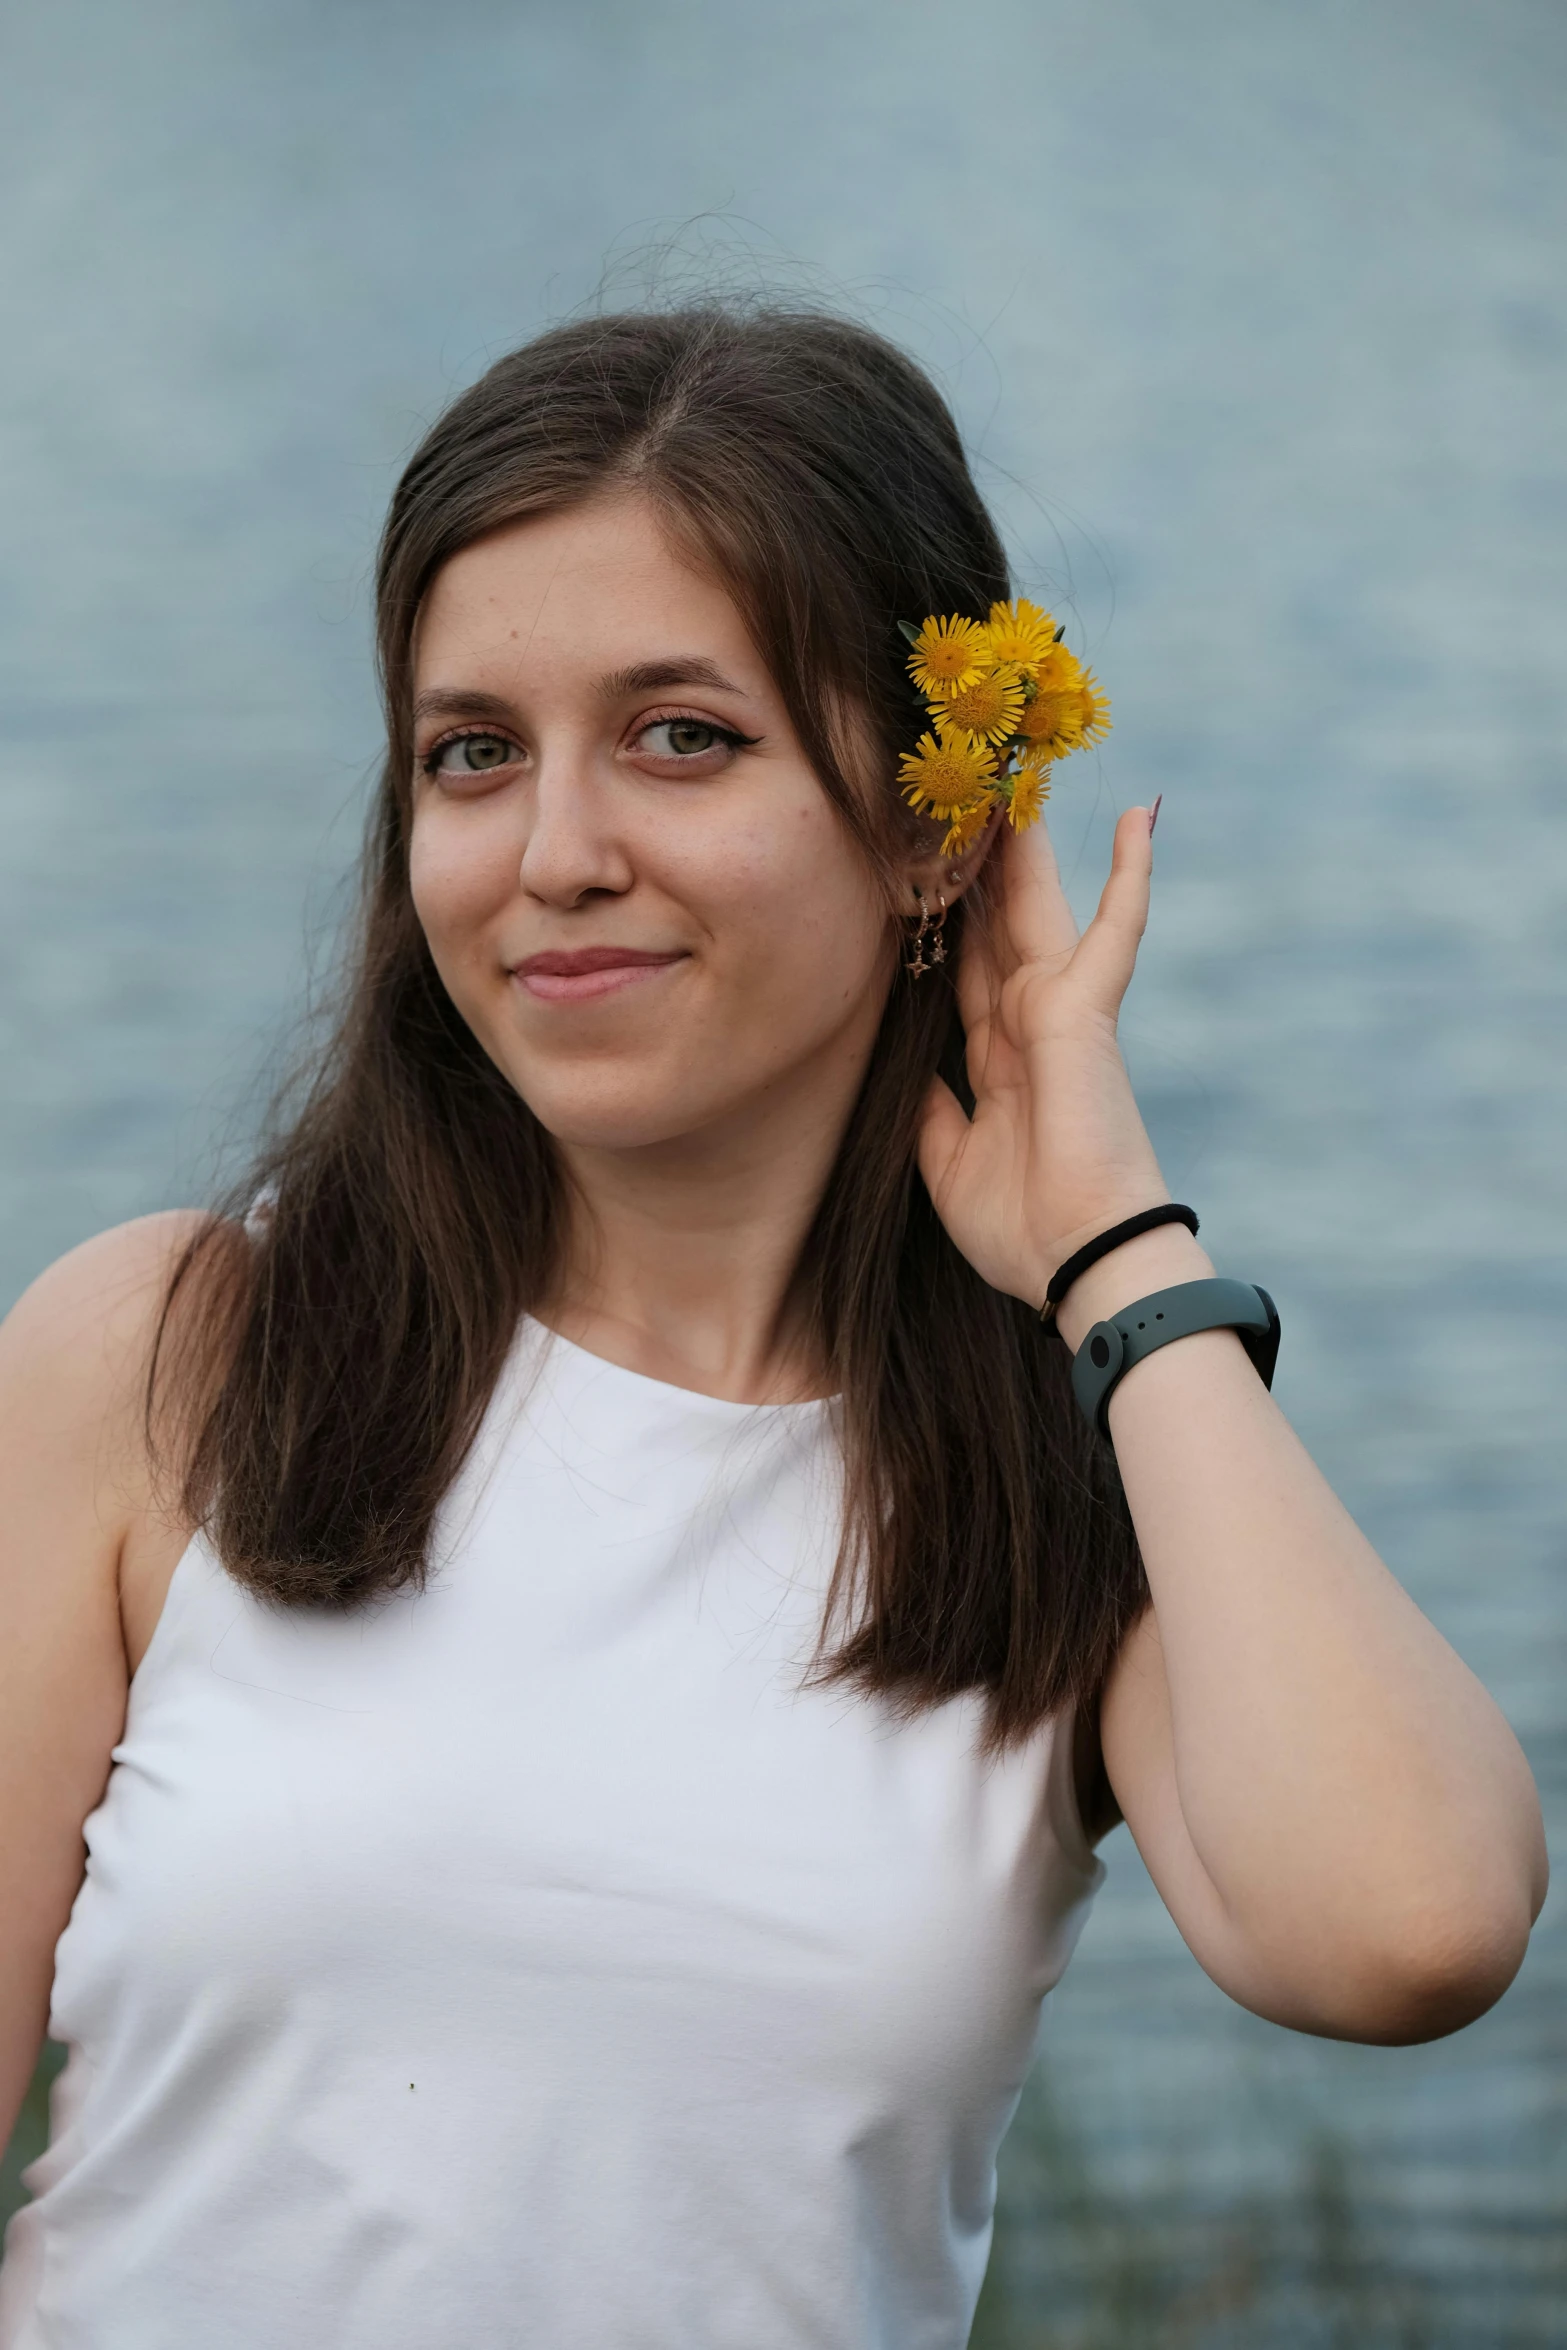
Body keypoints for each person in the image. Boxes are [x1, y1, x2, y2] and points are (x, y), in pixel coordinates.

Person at [0, 306, 1545, 2349]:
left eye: (682, 735)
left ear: (931, 824)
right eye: (474, 750)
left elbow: (1408, 1925)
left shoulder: (1065, 1489)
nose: (554, 853)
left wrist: (1117, 1253)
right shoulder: (172, 1353)